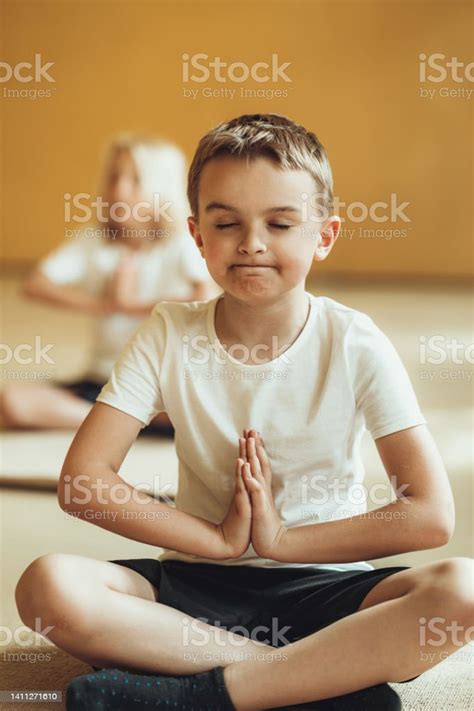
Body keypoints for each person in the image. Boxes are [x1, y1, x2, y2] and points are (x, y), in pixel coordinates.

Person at [15, 114, 473, 711]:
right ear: (196, 235)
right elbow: (83, 482)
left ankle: (195, 695)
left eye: (280, 223)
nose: (252, 243)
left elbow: (430, 516)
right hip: (195, 584)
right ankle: (318, 682)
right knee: (49, 585)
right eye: (226, 223)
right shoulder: (168, 331)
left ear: (325, 235)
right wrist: (218, 541)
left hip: (327, 590)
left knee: (463, 588)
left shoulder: (355, 340)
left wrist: (281, 541)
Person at [0, 134, 220, 436]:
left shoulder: (179, 241)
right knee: (12, 402)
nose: (119, 189)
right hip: (104, 380)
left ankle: (129, 419)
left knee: (208, 405)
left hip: (163, 381)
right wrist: (107, 304)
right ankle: (131, 421)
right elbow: (36, 285)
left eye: (135, 180)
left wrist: (130, 306)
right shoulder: (95, 239)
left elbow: (205, 297)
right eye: (114, 177)